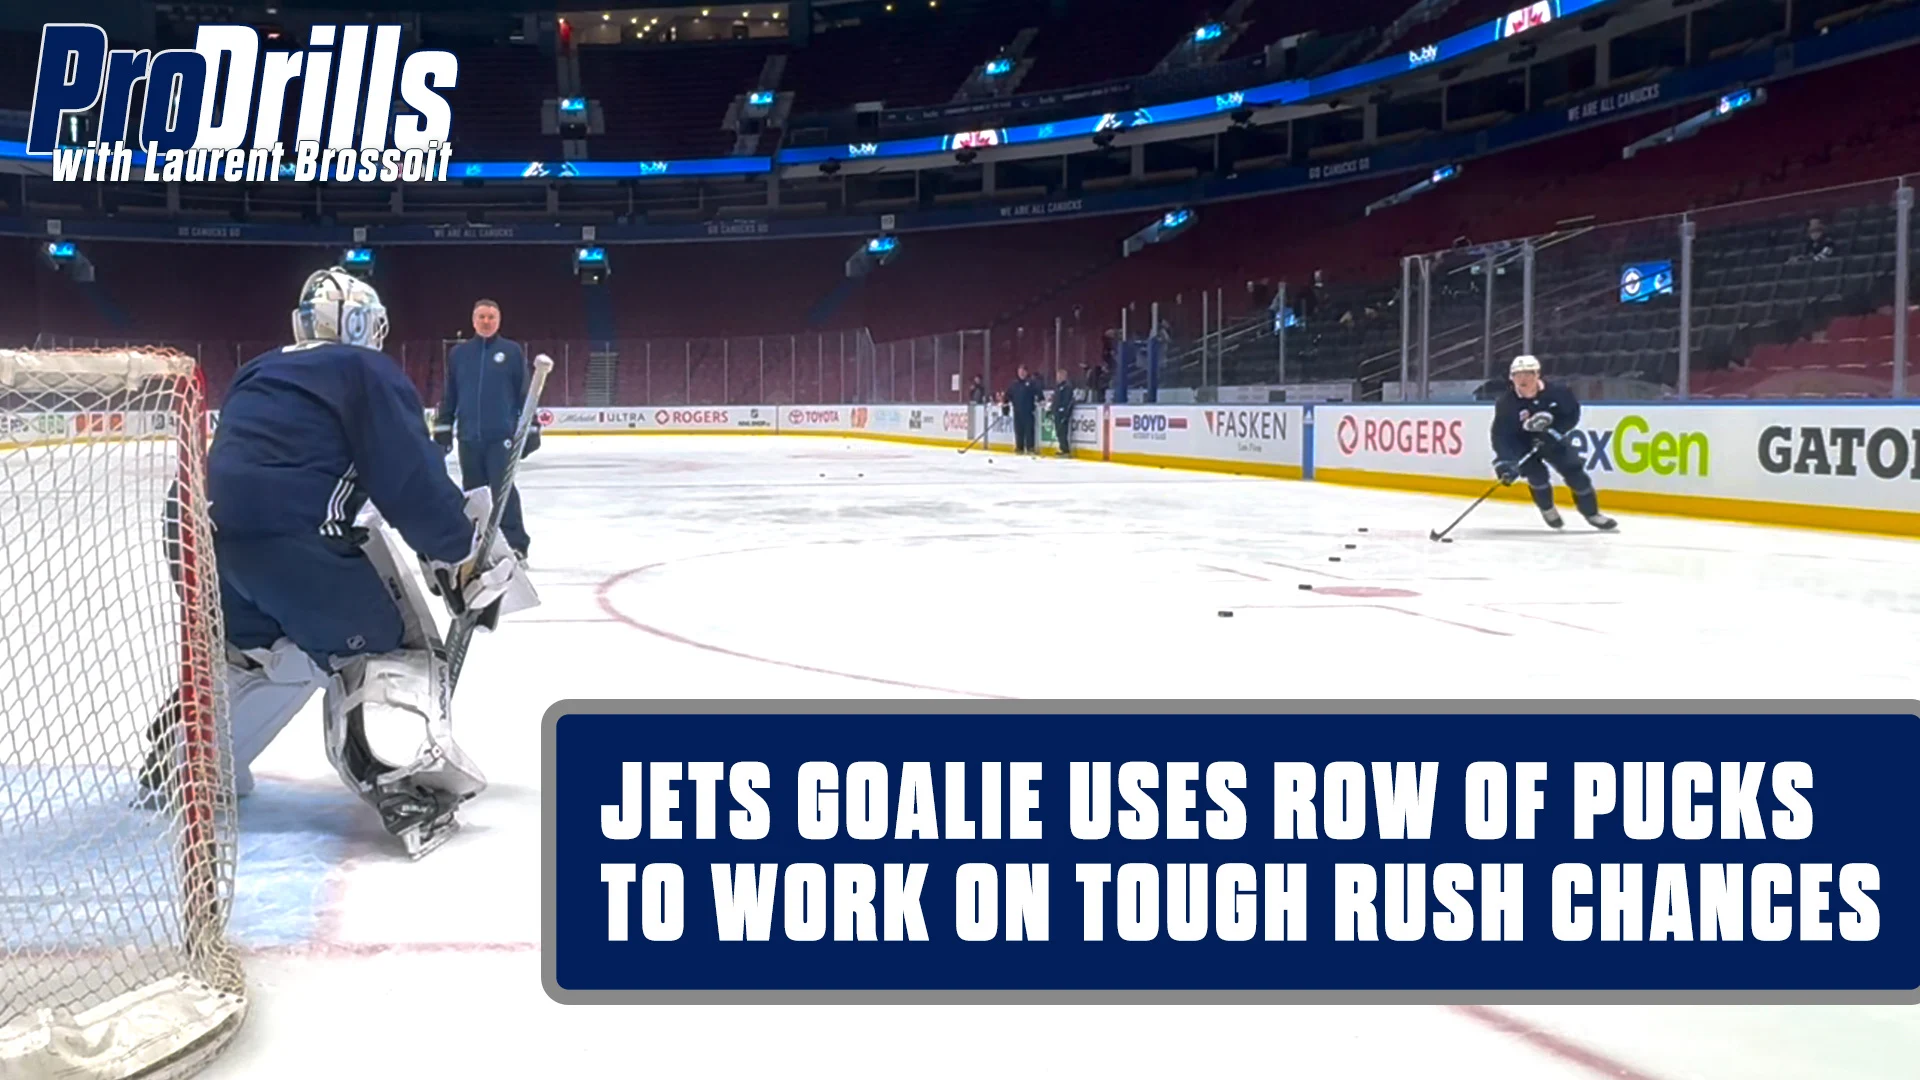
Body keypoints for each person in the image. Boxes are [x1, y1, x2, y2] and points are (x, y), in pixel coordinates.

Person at [175, 267, 536, 857]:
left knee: (276, 655)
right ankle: (406, 785)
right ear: (363, 324)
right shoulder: (364, 370)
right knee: (395, 649)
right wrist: (460, 555)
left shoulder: (257, 369)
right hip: (299, 550)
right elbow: (408, 478)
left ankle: (189, 766)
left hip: (213, 553)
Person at [434, 299, 536, 560]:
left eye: (491, 317)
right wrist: (444, 426)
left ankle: (516, 544)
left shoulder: (511, 352)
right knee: (473, 494)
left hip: (501, 436)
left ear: (499, 320)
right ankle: (476, 544)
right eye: (482, 317)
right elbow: (451, 393)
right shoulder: (459, 354)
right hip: (468, 437)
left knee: (504, 491)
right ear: (473, 320)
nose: (486, 322)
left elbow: (524, 393)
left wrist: (532, 427)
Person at [1491, 354, 1616, 531]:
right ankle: (1547, 509)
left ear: (1537, 374)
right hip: (1522, 444)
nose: (1523, 379)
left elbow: (1572, 414)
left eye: (1528, 374)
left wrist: (1554, 432)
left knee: (1575, 472)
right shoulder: (1506, 403)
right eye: (1518, 375)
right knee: (1537, 475)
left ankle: (1592, 514)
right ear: (1511, 378)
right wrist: (1505, 461)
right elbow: (1501, 434)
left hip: (1551, 439)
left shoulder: (1558, 392)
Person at [1007, 365, 1042, 455]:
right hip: (1017, 411)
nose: (1021, 373)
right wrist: (1005, 402)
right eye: (1020, 371)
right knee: (1019, 430)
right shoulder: (1014, 384)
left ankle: (1030, 448)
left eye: (1023, 371)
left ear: (1026, 372)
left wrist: (1040, 399)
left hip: (1028, 411)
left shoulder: (1031, 383)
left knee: (1029, 430)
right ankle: (1019, 447)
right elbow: (1008, 395)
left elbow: (1039, 393)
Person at [1049, 368, 1076, 458]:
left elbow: (1067, 401)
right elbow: (1055, 399)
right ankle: (1062, 448)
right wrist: (1052, 408)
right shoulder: (1057, 387)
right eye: (1058, 376)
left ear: (1064, 376)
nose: (1059, 377)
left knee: (1062, 432)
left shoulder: (1067, 387)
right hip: (1057, 412)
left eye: (1060, 375)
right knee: (1059, 431)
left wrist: (1064, 411)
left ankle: (1065, 450)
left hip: (1063, 413)